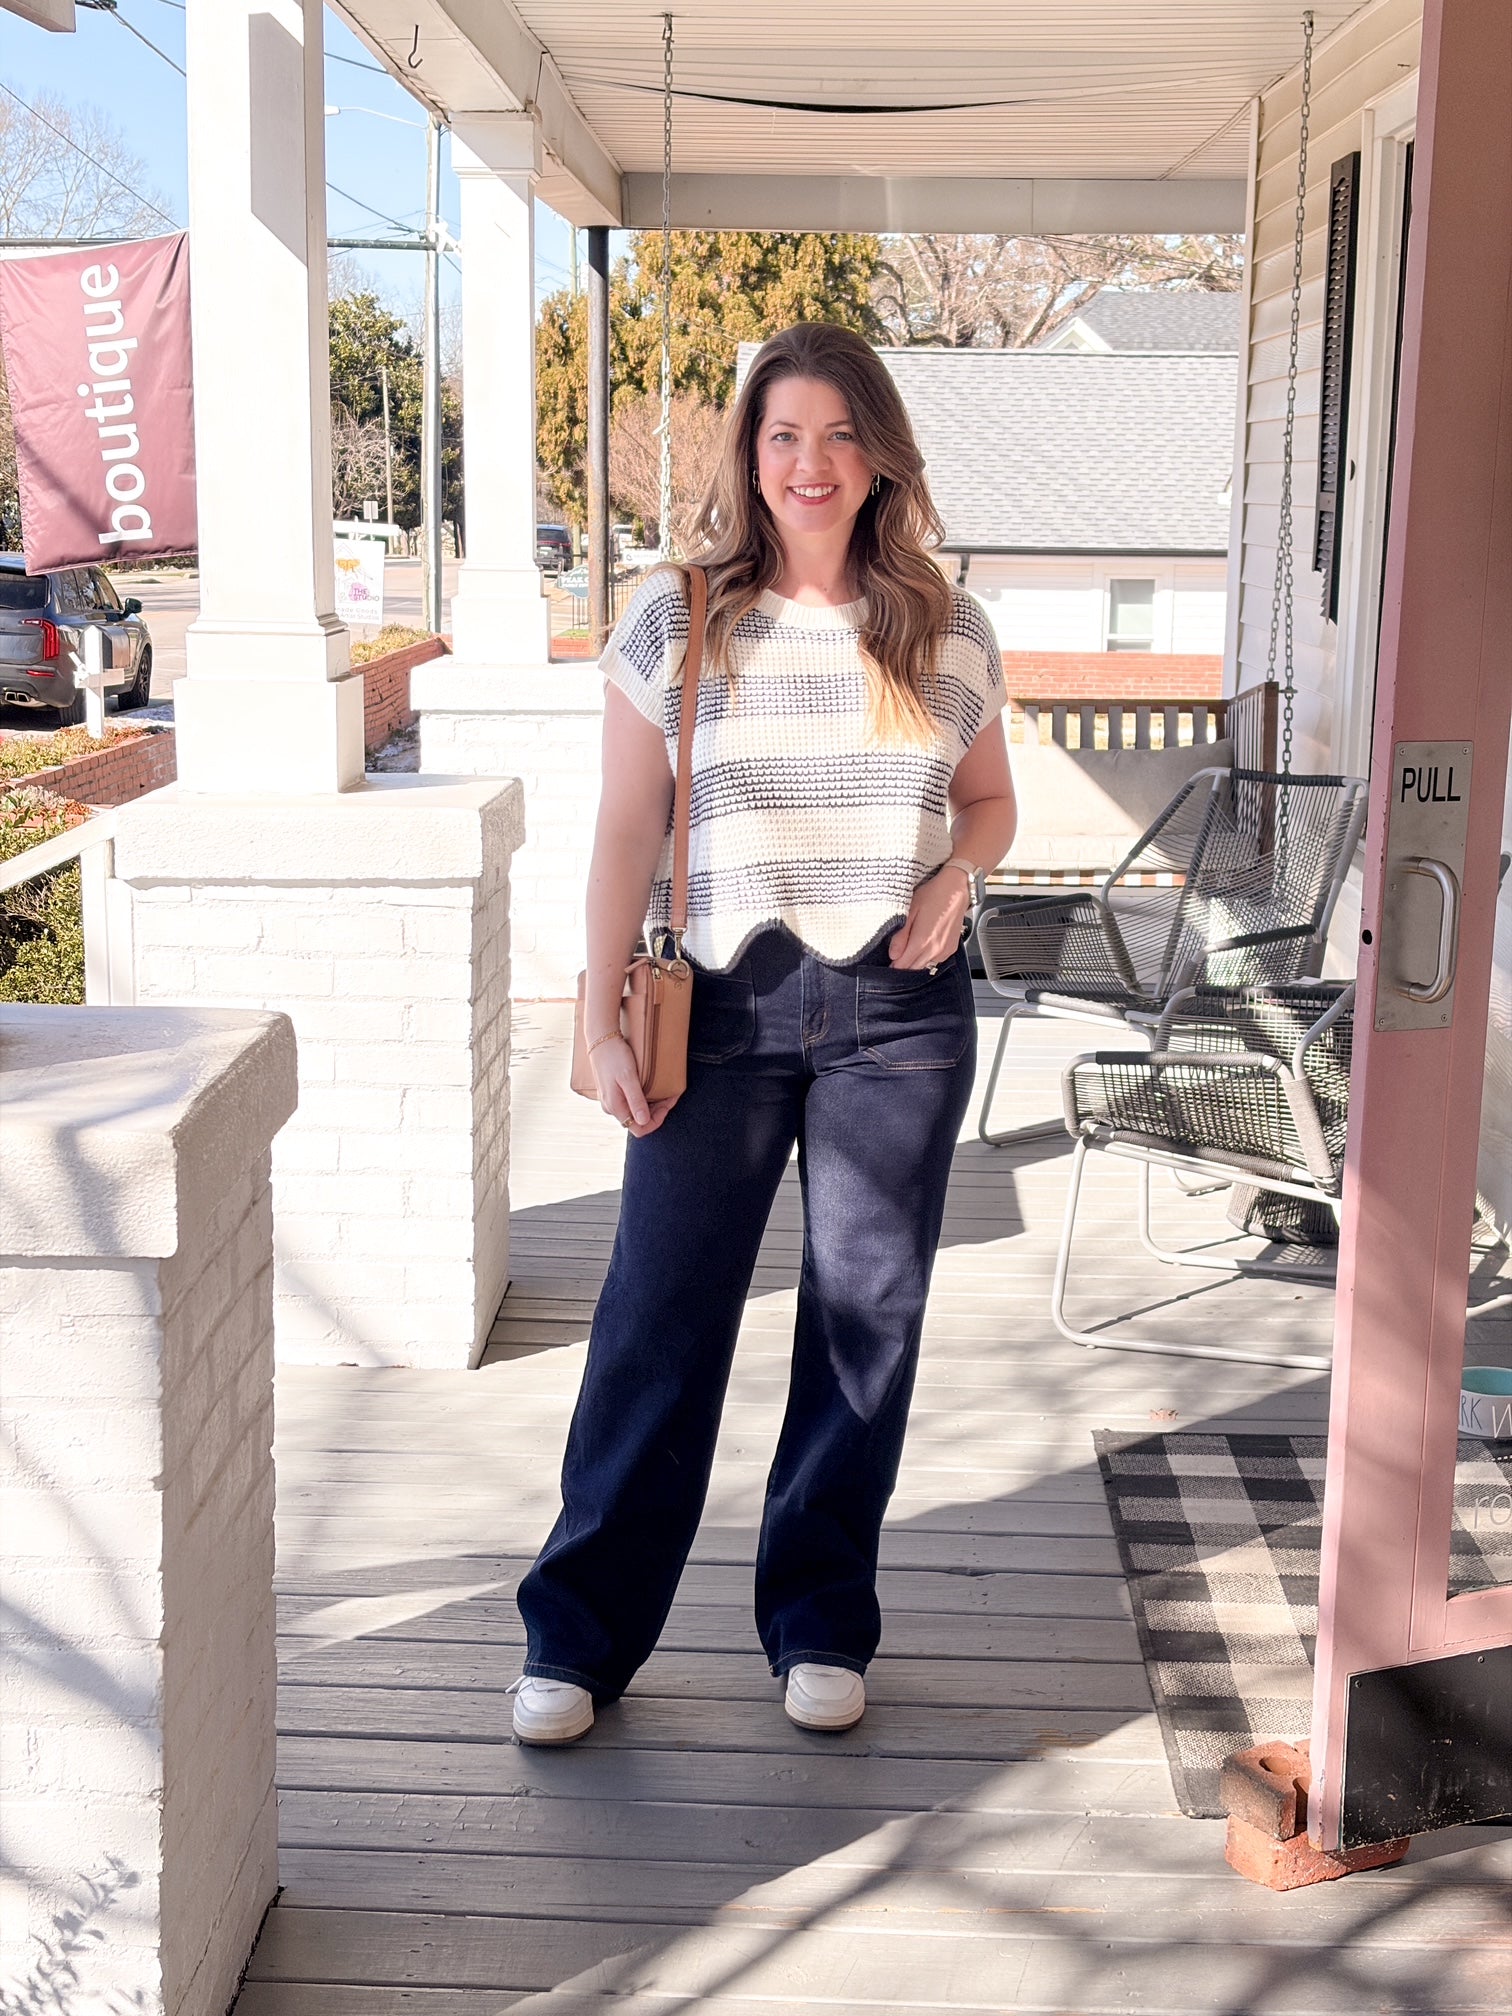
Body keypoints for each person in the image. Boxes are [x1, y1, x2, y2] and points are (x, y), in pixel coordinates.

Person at [512, 322, 1017, 1744]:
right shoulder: (676, 618)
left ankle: (817, 1620)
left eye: (839, 435)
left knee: (866, 1327)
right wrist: (592, 1016)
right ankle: (578, 1637)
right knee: (656, 1320)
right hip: (716, 1006)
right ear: (750, 453)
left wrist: (956, 876)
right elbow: (627, 827)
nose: (810, 462)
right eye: (784, 434)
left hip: (898, 1014)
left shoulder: (946, 625)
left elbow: (987, 805)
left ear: (879, 458)